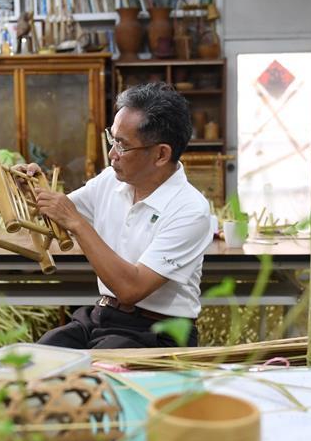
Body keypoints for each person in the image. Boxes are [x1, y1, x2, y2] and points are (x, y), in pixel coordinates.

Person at [23, 82, 213, 349]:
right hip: (101, 317)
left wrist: (76, 222)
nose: (112, 154)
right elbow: (56, 213)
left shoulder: (190, 210)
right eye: (112, 140)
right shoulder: (111, 181)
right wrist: (32, 188)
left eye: (122, 146)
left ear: (161, 154)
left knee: (96, 374)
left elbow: (131, 289)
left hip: (157, 332)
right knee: (41, 355)